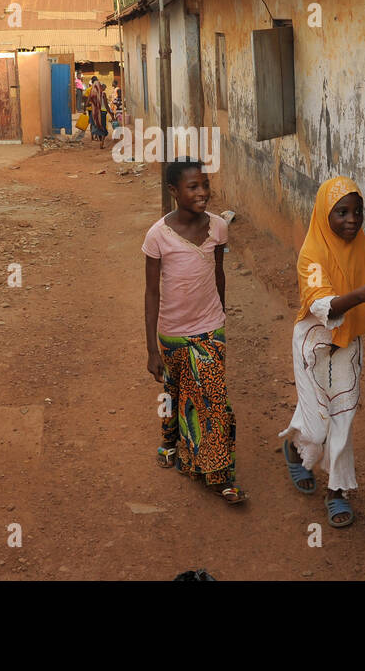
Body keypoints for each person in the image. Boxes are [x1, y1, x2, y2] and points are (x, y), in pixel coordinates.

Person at [279, 176, 365, 528]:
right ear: (325, 213)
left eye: (358, 212)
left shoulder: (360, 246)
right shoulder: (310, 254)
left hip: (347, 342)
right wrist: (362, 296)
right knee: (315, 426)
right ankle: (296, 448)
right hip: (313, 342)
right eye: (342, 212)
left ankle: (337, 492)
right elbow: (322, 304)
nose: (352, 220)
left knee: (342, 418)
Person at [143, 159, 246, 505]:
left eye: (205, 185)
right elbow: (152, 292)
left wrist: (221, 310)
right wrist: (152, 350)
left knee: (213, 400)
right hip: (172, 333)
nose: (202, 193)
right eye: (193, 187)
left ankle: (220, 475)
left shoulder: (218, 227)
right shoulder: (158, 235)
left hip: (209, 329)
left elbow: (218, 273)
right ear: (174, 192)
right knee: (176, 391)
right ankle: (170, 440)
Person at [86, 75, 110, 149]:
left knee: (96, 125)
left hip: (94, 112)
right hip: (102, 113)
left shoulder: (91, 93)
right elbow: (106, 106)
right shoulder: (103, 94)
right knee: (103, 128)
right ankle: (101, 143)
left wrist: (93, 103)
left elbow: (86, 104)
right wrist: (111, 114)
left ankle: (93, 136)